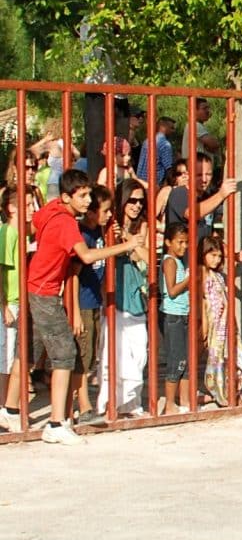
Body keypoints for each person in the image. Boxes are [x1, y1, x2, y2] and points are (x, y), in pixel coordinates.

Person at [0, 170, 142, 444]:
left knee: (27, 352)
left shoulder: (51, 209)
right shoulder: (66, 223)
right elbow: (86, 255)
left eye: (89, 194)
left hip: (36, 287)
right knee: (64, 353)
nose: (88, 200)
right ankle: (55, 423)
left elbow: (35, 225)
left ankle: (10, 410)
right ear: (67, 197)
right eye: (83, 195)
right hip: (45, 292)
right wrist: (126, 245)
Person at [95, 184, 150, 419]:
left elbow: (146, 256)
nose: (137, 205)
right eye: (132, 200)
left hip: (135, 295)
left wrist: (127, 239)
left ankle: (131, 402)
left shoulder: (141, 226)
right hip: (113, 295)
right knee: (112, 352)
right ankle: (110, 404)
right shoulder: (108, 223)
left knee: (139, 353)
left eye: (140, 201)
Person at [70, 186, 114, 425]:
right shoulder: (83, 235)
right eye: (105, 211)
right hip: (83, 303)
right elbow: (74, 274)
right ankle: (83, 406)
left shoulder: (99, 231)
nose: (109, 215)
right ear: (91, 212)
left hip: (93, 301)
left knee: (88, 357)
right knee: (81, 357)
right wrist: (75, 311)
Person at [0, 187, 34, 404]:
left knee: (12, 356)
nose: (32, 209)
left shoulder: (20, 232)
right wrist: (4, 305)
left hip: (17, 301)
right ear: (12, 208)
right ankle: (3, 406)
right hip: (9, 304)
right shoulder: (7, 233)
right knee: (5, 358)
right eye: (28, 204)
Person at [200, 235, 239, 407]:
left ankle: (229, 390)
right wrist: (206, 324)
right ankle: (218, 391)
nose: (216, 260)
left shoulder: (219, 276)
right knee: (215, 357)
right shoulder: (202, 273)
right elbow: (202, 300)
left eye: (219, 256)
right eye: (212, 255)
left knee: (227, 355)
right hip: (213, 321)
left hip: (224, 322)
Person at [165, 153, 236, 242]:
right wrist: (221, 195)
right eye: (199, 175)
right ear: (188, 174)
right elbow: (191, 213)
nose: (204, 179)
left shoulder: (208, 196)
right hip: (183, 254)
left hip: (202, 253)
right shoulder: (178, 193)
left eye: (208, 174)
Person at [160, 222, 192, 415]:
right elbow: (171, 291)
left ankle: (185, 401)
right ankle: (170, 403)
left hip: (182, 314)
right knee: (176, 360)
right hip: (173, 316)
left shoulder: (178, 261)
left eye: (186, 243)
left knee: (185, 360)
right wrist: (189, 280)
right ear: (168, 242)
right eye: (179, 242)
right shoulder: (170, 261)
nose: (184, 246)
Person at [136, 116, 176, 187]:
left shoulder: (147, 141)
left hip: (140, 182)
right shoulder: (165, 144)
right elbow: (168, 169)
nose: (173, 131)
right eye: (171, 128)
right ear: (163, 127)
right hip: (153, 185)